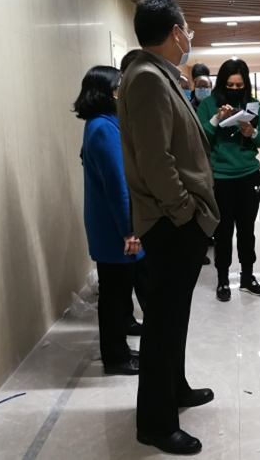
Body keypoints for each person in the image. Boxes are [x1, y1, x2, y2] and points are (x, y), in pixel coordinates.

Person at [118, 0, 220, 455]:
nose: (189, 36)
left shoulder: (158, 75)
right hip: (169, 220)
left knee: (173, 315)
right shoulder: (146, 79)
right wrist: (183, 211)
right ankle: (156, 424)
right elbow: (154, 159)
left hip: (176, 217)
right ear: (175, 31)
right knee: (162, 322)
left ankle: (174, 389)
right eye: (187, 28)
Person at [73, 65, 148, 376]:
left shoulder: (104, 123)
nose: (125, 92)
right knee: (114, 296)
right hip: (114, 227)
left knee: (116, 292)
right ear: (107, 92)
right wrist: (129, 231)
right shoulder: (103, 129)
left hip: (111, 223)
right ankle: (116, 358)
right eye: (121, 86)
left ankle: (119, 350)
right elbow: (118, 185)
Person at [196, 58, 260, 302]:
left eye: (240, 85)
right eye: (230, 85)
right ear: (222, 83)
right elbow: (199, 139)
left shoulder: (254, 105)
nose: (235, 89)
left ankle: (247, 277)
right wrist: (216, 119)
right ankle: (222, 280)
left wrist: (252, 132)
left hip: (249, 175)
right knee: (223, 231)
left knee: (247, 230)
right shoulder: (208, 104)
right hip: (221, 177)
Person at [117, 49, 149, 336]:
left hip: (149, 198)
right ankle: (131, 317)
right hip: (133, 200)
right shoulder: (112, 118)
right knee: (133, 268)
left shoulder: (147, 100)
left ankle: (149, 314)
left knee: (144, 267)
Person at [190, 71, 215, 266]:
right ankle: (200, 247)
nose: (202, 89)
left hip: (213, 161)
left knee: (212, 202)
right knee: (198, 205)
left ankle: (210, 236)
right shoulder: (187, 107)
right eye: (199, 86)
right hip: (193, 163)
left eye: (206, 86)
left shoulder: (215, 107)